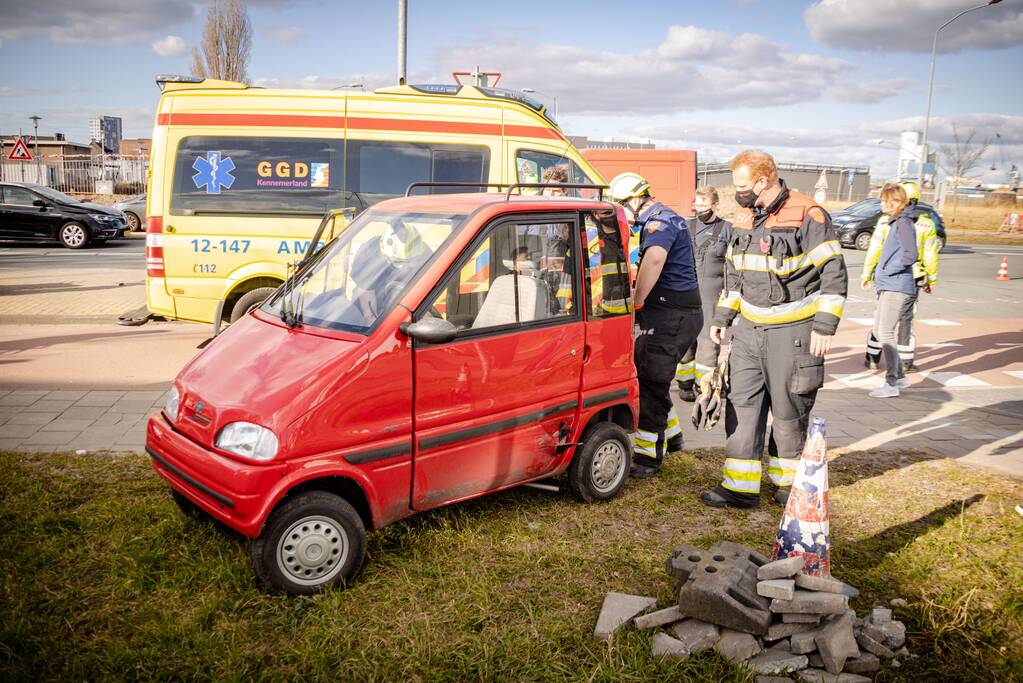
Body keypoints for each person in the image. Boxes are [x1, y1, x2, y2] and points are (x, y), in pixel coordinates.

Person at [703, 150, 848, 508]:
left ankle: (789, 487)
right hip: (750, 334)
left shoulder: (808, 215)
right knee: (743, 405)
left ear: (763, 181)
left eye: (742, 186)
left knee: (788, 411)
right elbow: (734, 273)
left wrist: (825, 327)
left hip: (793, 332)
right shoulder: (743, 217)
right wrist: (722, 319)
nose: (737, 192)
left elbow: (834, 272)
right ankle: (740, 487)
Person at [607, 172, 702, 478]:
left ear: (635, 199)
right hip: (673, 312)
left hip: (671, 315)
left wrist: (634, 303)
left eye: (622, 205)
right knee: (654, 379)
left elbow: (654, 261)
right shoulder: (663, 219)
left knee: (650, 380)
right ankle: (672, 438)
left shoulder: (659, 221)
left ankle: (648, 457)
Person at [860, 183, 935, 398]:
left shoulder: (903, 223)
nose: (883, 204)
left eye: (887, 201)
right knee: (879, 328)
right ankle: (900, 377)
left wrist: (887, 270)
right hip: (890, 284)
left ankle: (891, 383)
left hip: (897, 284)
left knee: (884, 333)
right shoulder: (897, 222)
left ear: (899, 203)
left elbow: (911, 255)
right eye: (882, 200)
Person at [676, 187, 733, 402]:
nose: (699, 209)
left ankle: (705, 385)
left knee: (708, 341)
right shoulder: (687, 226)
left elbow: (733, 267)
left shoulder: (727, 230)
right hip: (687, 293)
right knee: (685, 338)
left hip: (712, 295)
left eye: (704, 205)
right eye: (697, 205)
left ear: (714, 205)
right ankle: (684, 383)